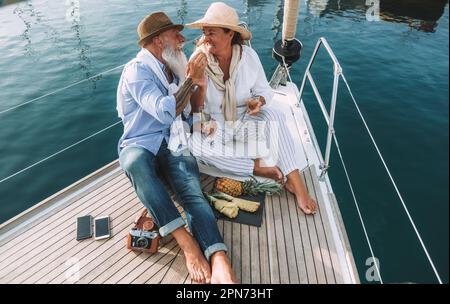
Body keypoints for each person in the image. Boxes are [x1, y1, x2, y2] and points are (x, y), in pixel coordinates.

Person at [116, 11, 237, 284]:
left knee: (192, 193)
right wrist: (191, 80)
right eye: (175, 34)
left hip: (174, 142)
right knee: (134, 162)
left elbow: (187, 115)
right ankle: (187, 243)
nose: (183, 40)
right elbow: (164, 112)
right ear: (159, 41)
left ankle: (219, 258)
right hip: (141, 143)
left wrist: (199, 86)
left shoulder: (171, 69)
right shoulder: (138, 70)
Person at [186, 2, 317, 215]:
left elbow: (265, 91)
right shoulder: (198, 61)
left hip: (245, 117)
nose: (205, 38)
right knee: (194, 145)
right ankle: (256, 169)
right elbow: (195, 111)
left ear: (230, 34)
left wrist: (259, 102)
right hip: (215, 124)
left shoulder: (248, 57)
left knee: (274, 114)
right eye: (204, 32)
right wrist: (199, 84)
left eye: (212, 32)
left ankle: (296, 182)